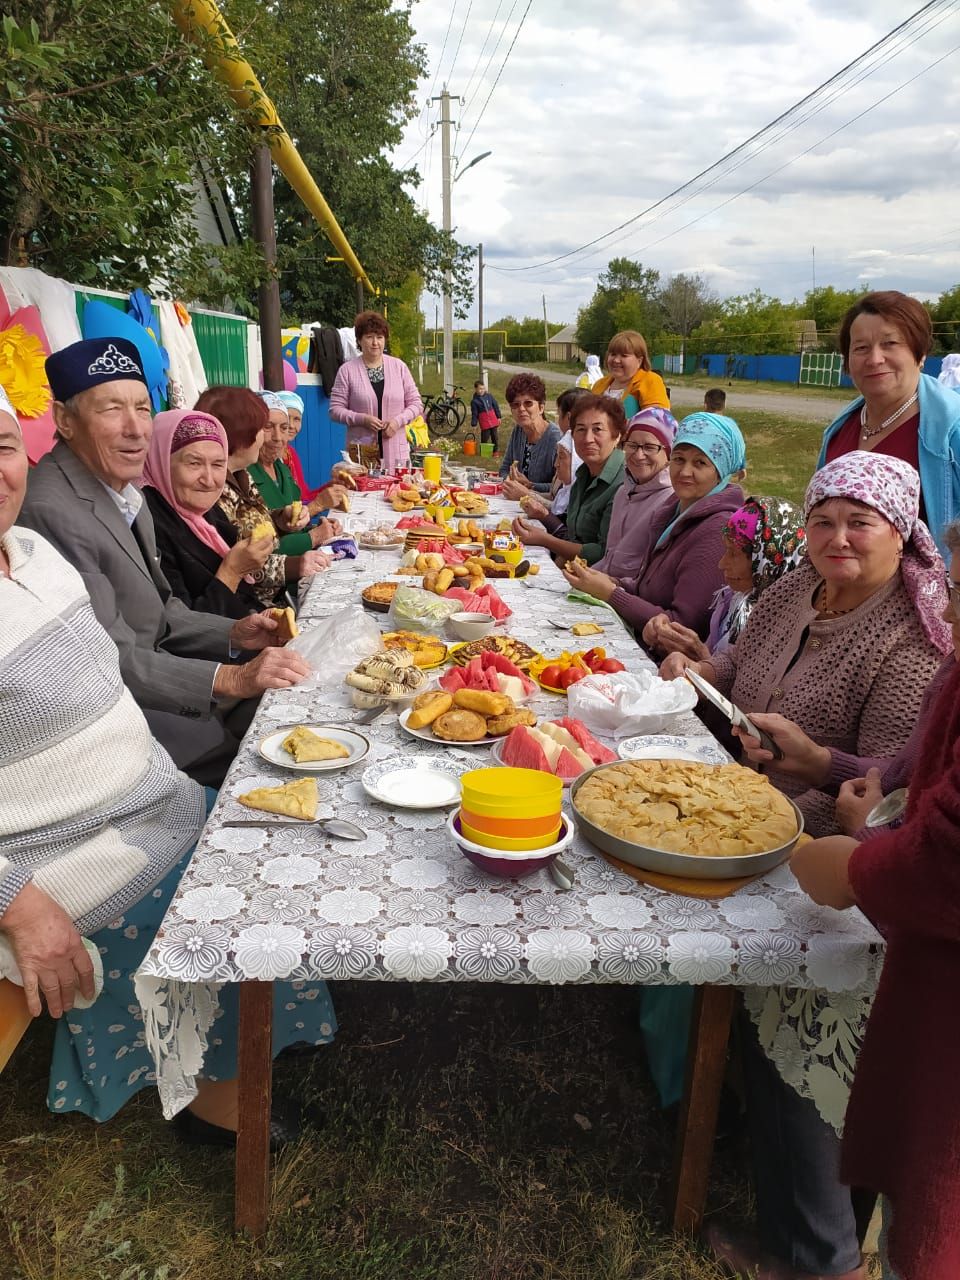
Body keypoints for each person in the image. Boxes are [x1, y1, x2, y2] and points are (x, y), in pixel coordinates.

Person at [0, 385, 335, 1141]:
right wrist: (18, 904)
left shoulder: (30, 555)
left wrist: (228, 643)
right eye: (106, 408)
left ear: (25, 448)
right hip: (72, 851)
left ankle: (263, 1031)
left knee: (283, 849)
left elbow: (128, 647)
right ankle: (210, 1094)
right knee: (216, 900)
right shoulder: (56, 525)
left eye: (0, 446)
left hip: (153, 792)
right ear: (63, 422)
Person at [18, 339, 311, 785]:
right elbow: (108, 660)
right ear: (64, 420)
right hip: (130, 724)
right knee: (276, 760)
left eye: (142, 408)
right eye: (112, 410)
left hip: (167, 688)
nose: (136, 429)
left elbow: (162, 609)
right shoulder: (53, 510)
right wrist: (233, 678)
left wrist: (235, 632)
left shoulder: (123, 491)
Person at [789, 520, 960, 1280]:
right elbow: (917, 759)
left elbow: (945, 861)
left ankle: (832, 1254)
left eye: (860, 522)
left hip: (921, 951)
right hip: (913, 946)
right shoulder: (796, 595)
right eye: (821, 519)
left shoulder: (912, 638)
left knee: (931, 1221)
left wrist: (858, 865)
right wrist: (832, 765)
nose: (950, 611)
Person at [563, 413, 746, 647]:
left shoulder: (716, 530)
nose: (684, 472)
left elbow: (682, 627)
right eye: (679, 459)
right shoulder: (675, 509)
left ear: (722, 470)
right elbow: (646, 587)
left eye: (700, 463)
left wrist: (612, 593)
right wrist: (611, 581)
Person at [818, 290, 960, 557]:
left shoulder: (952, 431)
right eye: (861, 347)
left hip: (928, 595)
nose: (874, 359)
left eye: (890, 343)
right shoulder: (839, 430)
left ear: (920, 355)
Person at [194, 385, 331, 608]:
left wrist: (280, 519)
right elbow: (243, 559)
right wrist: (299, 561)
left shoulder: (242, 476)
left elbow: (257, 525)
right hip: (253, 607)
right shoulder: (213, 490)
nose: (275, 437)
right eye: (263, 427)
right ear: (242, 433)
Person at [141, 409, 279, 618]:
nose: (209, 479)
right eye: (194, 463)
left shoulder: (207, 512)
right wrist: (232, 572)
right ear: (160, 461)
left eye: (217, 465)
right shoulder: (147, 526)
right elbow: (179, 631)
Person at [650, 495, 806, 659]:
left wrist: (701, 658)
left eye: (733, 553)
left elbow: (742, 682)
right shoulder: (733, 599)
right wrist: (665, 641)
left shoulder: (780, 625)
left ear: (768, 560)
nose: (722, 564)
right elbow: (713, 655)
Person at [511, 393, 625, 565]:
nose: (587, 439)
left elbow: (602, 553)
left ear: (616, 436)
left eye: (597, 429)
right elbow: (573, 537)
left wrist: (545, 540)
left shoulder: (622, 485)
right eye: (580, 429)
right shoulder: (582, 476)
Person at [590, 407, 677, 586]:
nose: (638, 455)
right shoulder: (623, 492)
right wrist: (587, 572)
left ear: (669, 453)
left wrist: (606, 584)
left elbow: (651, 581)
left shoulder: (670, 501)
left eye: (650, 447)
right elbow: (610, 558)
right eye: (632, 445)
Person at [328, 310, 421, 471]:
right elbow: (335, 410)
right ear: (359, 340)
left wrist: (397, 422)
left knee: (397, 492)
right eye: (369, 337)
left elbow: (416, 404)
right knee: (362, 489)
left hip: (396, 452)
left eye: (379, 337)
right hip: (361, 451)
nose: (375, 343)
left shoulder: (399, 367)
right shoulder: (347, 370)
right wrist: (361, 419)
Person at [499, 373, 563, 497]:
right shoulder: (518, 431)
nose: (521, 409)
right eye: (515, 405)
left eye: (528, 403)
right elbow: (504, 469)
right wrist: (510, 480)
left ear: (541, 408)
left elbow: (562, 487)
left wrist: (531, 486)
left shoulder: (556, 438)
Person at [591, 330, 670, 417]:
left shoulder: (650, 381)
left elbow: (658, 420)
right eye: (613, 354)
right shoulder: (599, 384)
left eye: (624, 355)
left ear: (639, 361)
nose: (616, 360)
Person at [547, 388, 590, 516]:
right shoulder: (565, 445)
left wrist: (527, 493)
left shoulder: (574, 455)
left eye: (559, 415)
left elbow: (563, 511)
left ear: (569, 417)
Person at [470, 380, 501, 450]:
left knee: (495, 436)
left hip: (493, 419)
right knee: (485, 437)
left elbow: (495, 406)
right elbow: (474, 413)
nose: (482, 390)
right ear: (476, 389)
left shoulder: (489, 396)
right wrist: (474, 424)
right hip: (484, 421)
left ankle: (495, 451)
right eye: (480, 389)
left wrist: (498, 417)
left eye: (483, 388)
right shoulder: (474, 401)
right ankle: (484, 450)